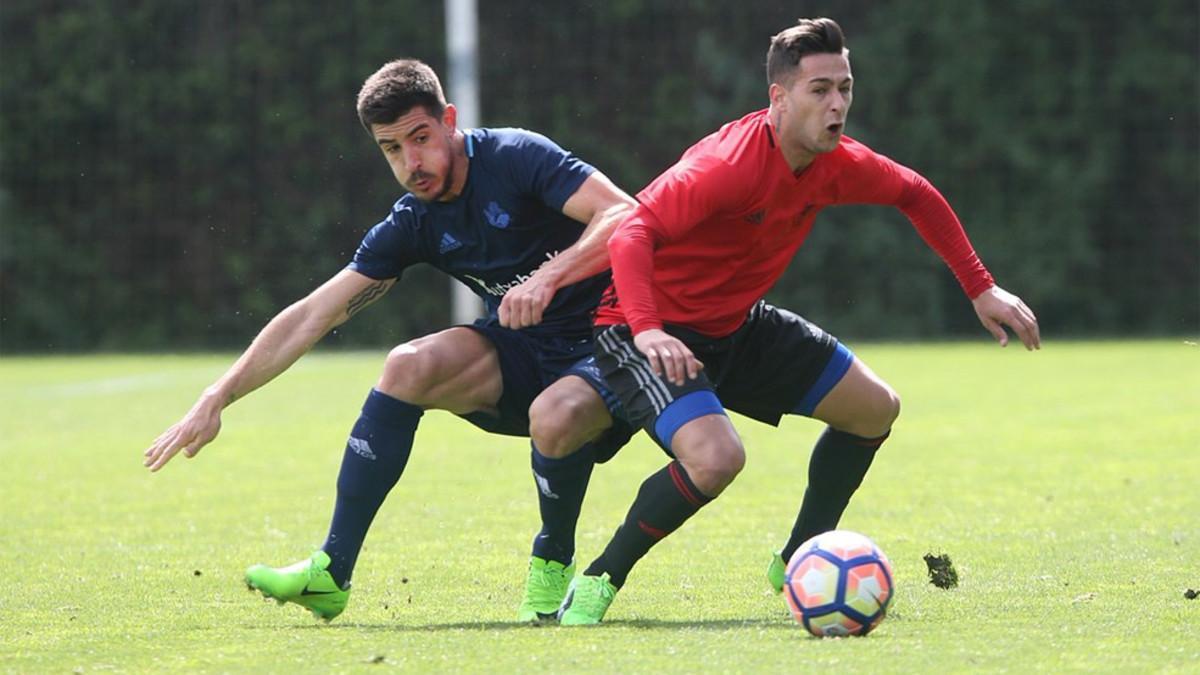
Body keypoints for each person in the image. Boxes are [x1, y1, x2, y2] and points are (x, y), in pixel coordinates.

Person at [546, 17, 1041, 625]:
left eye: (845, 87)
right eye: (820, 90)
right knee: (718, 459)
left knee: (874, 409)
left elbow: (915, 192)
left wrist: (980, 287)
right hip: (642, 329)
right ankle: (600, 578)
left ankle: (798, 561)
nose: (838, 104)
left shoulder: (837, 162)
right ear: (778, 98)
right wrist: (648, 329)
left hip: (736, 325)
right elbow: (633, 231)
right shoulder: (726, 165)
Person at [142, 59, 638, 622]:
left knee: (559, 413)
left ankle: (552, 563)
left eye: (420, 139)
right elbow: (314, 314)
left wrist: (549, 276)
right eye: (392, 149)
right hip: (528, 351)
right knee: (406, 365)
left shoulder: (515, 156)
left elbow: (623, 213)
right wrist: (219, 395)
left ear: (449, 120)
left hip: (614, 344)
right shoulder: (415, 220)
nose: (411, 163)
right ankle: (331, 572)